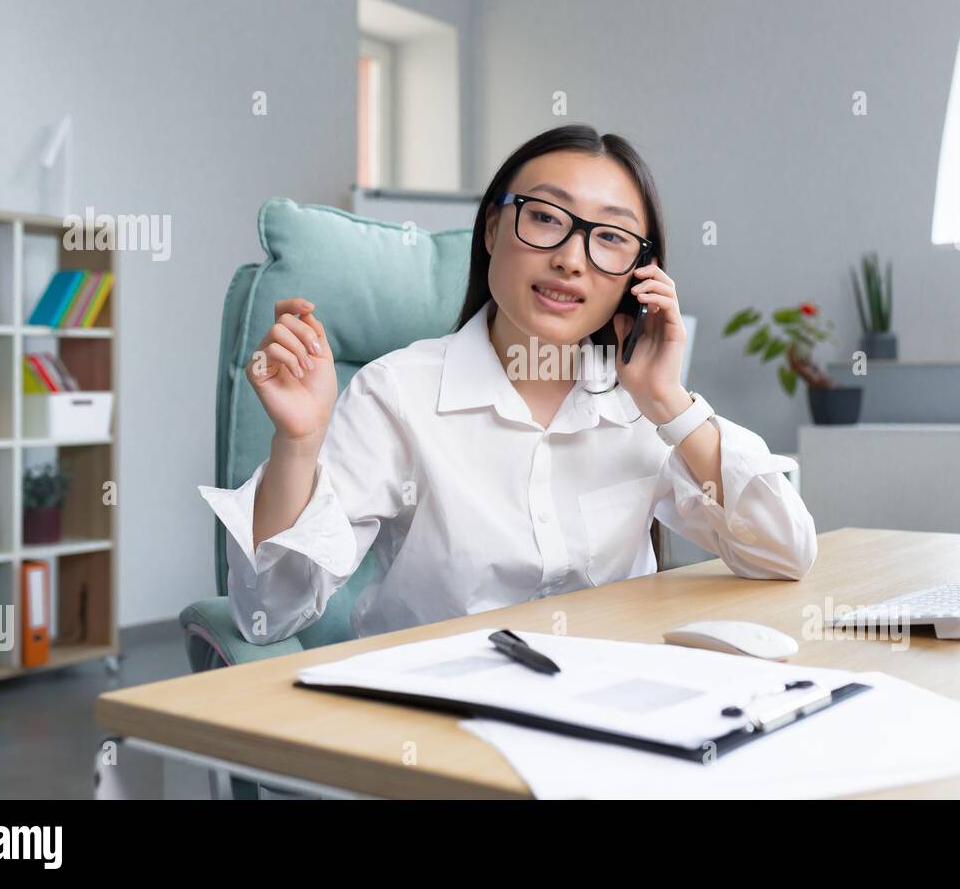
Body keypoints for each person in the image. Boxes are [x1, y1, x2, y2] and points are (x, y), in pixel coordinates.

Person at [199, 124, 817, 645]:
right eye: (546, 218)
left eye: (611, 237)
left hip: (615, 715)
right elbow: (267, 616)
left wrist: (669, 404)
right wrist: (299, 445)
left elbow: (785, 552)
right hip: (442, 726)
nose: (572, 259)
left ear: (638, 273)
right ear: (491, 231)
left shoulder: (641, 407)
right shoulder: (398, 394)